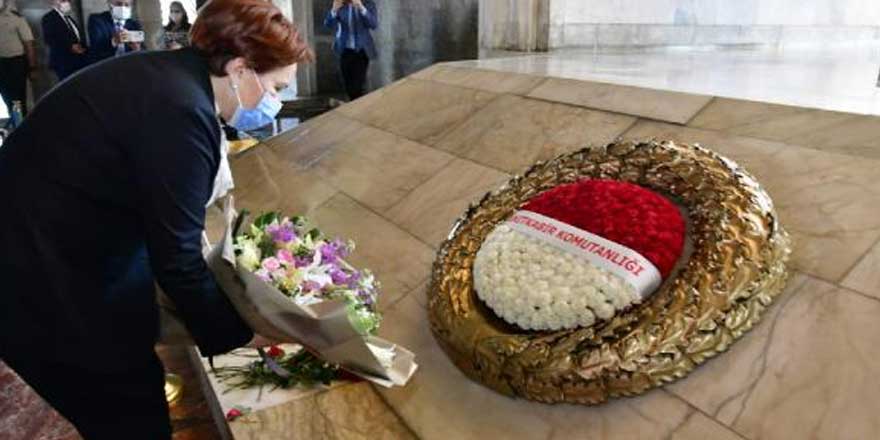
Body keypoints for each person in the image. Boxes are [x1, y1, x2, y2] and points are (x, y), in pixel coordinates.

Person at [0, 0, 312, 437]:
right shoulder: (182, 111)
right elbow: (177, 259)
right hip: (48, 280)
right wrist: (241, 334)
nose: (275, 103)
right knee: (130, 409)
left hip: (50, 251)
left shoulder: (169, 76)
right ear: (240, 69)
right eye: (276, 87)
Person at [324, 0, 377, 100]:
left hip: (362, 51)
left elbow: (373, 24)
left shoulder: (368, 3)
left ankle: (356, 108)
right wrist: (334, 10)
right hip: (345, 50)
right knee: (348, 85)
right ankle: (354, 106)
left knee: (358, 86)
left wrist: (361, 8)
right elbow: (328, 24)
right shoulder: (340, 4)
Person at [0, 0, 36, 116]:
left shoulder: (16, 18)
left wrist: (32, 67)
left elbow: (28, 44)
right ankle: (15, 119)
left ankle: (19, 123)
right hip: (1, 64)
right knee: (6, 97)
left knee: (16, 99)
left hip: (15, 64)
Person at [41, 0, 88, 81]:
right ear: (53, 2)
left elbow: (76, 37)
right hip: (63, 62)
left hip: (78, 60)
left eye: (68, 0)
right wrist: (70, 47)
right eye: (63, 0)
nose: (67, 3)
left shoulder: (69, 18)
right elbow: (49, 39)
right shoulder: (49, 18)